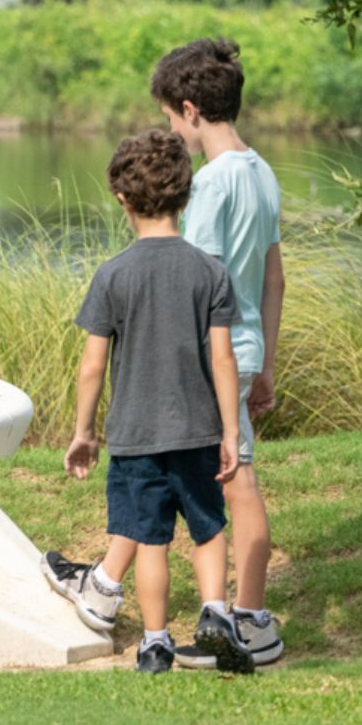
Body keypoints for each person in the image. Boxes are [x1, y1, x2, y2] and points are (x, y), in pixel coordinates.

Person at [42, 130, 255, 674]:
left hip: (135, 437)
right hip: (200, 430)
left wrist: (83, 432)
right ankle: (214, 613)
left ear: (121, 198)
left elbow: (92, 366)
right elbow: (224, 360)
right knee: (208, 529)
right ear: (185, 196)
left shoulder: (113, 274)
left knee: (149, 537)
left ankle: (156, 640)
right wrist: (231, 433)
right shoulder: (210, 271)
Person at [151, 37, 285, 668]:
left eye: (170, 119)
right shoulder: (261, 171)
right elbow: (273, 277)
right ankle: (244, 616)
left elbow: (191, 276)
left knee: (235, 483)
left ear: (190, 110)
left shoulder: (210, 184)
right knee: (238, 478)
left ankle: (249, 622)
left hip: (215, 351)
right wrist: (269, 363)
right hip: (249, 344)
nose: (171, 129)